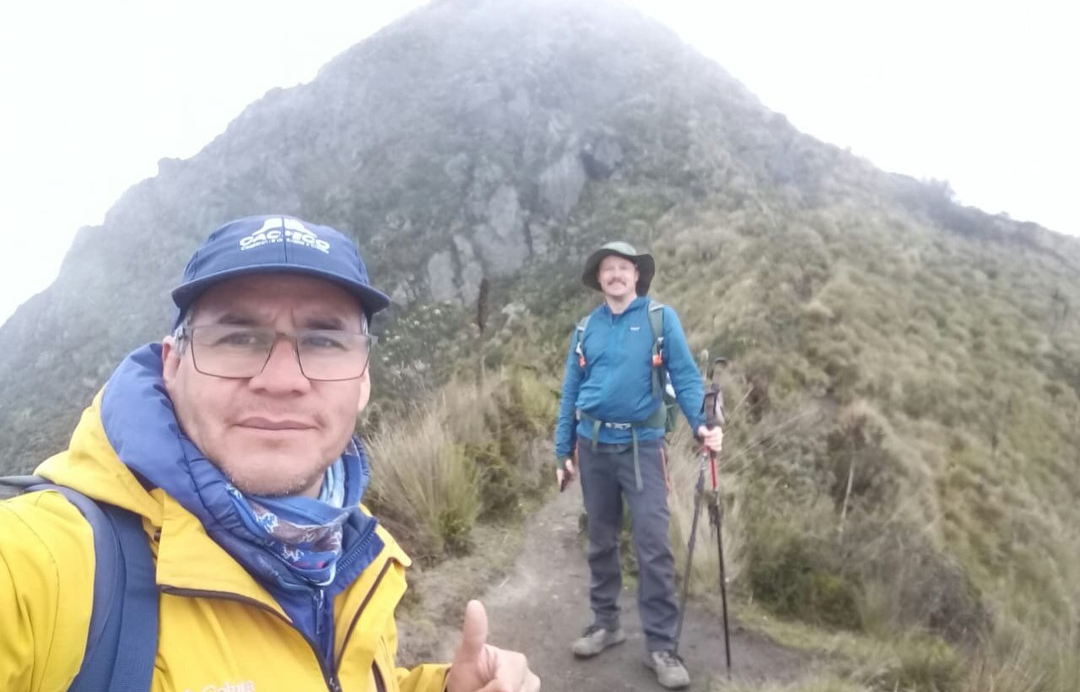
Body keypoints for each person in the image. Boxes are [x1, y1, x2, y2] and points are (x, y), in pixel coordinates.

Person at [0, 214, 539, 692]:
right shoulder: (51, 563)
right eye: (238, 337)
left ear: (364, 380)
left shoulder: (349, 544)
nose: (282, 381)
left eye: (324, 341)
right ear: (172, 363)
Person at [554, 242, 723, 690]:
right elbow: (570, 391)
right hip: (591, 446)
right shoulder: (585, 328)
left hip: (642, 447)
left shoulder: (659, 319)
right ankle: (606, 624)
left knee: (653, 544)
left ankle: (662, 646)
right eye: (608, 269)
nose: (615, 275)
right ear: (600, 278)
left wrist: (702, 426)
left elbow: (686, 377)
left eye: (623, 268)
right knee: (600, 540)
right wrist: (561, 452)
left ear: (636, 276)